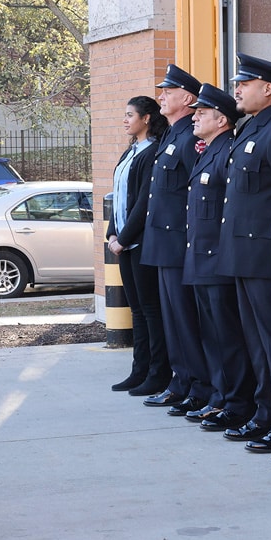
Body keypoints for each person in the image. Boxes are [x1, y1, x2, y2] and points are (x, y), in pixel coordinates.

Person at [214, 54, 271, 448]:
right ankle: (266, 412)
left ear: (268, 89)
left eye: (244, 83)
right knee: (256, 342)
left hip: (267, 256)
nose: (236, 90)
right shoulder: (251, 129)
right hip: (243, 254)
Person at [141, 64, 215, 417]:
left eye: (168, 92)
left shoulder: (189, 139)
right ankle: (181, 382)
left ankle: (198, 387)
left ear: (187, 98)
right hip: (164, 244)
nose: (161, 97)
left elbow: (196, 195)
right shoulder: (173, 135)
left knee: (186, 322)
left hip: (180, 244)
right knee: (173, 321)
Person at [182, 83, 257, 431]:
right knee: (212, 335)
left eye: (202, 113)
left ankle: (237, 402)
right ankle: (220, 396)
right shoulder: (209, 151)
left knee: (228, 337)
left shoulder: (227, 151)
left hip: (218, 259)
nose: (194, 118)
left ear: (222, 120)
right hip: (202, 257)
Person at [106, 95, 170, 394]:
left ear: (146, 118)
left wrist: (124, 238)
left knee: (150, 310)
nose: (125, 120)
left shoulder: (152, 153)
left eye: (130, 115)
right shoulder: (129, 152)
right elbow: (117, 197)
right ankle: (139, 370)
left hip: (140, 244)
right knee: (137, 310)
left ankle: (157, 373)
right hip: (123, 243)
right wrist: (112, 233)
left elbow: (144, 202)